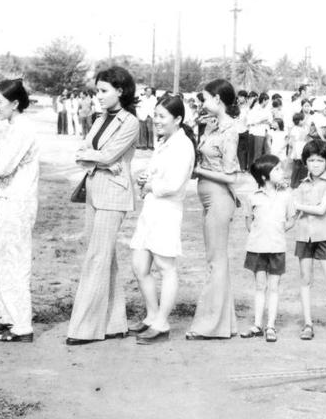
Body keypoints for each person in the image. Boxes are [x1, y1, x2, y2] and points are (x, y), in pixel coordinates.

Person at [66, 67, 140, 345]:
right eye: (97, 90)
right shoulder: (99, 119)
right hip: (95, 190)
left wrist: (92, 157)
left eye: (103, 90)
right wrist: (94, 157)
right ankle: (114, 323)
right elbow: (84, 150)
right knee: (103, 257)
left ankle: (84, 329)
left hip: (114, 196)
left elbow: (108, 156)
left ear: (120, 91)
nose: (98, 96)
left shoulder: (130, 122)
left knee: (97, 257)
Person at [128, 95, 196, 345]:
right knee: (139, 265)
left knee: (166, 267)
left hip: (167, 211)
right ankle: (152, 315)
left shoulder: (183, 145)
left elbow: (174, 184)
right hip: (151, 208)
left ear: (177, 119)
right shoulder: (164, 142)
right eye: (155, 115)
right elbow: (157, 175)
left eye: (162, 117)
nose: (156, 121)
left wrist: (151, 185)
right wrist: (145, 179)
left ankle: (162, 323)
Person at [0, 79, 39, 343]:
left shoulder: (23, 128)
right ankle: (7, 317)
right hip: (9, 197)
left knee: (14, 261)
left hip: (19, 201)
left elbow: (3, 166)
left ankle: (22, 325)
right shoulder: (14, 126)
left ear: (15, 103)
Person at [186, 79, 241, 340]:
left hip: (220, 198)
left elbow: (231, 176)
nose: (202, 104)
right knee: (215, 259)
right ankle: (221, 323)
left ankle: (210, 326)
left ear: (218, 99)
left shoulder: (231, 130)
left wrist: (196, 170)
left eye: (205, 99)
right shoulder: (210, 125)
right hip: (209, 198)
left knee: (215, 260)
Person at [290, 139, 326, 345]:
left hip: (324, 238)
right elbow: (292, 213)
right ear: (305, 162)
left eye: (320, 160)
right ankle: (308, 324)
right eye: (311, 160)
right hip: (303, 236)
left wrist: (297, 204)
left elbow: (321, 209)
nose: (315, 164)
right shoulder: (302, 183)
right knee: (305, 280)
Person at [239, 155, 293, 343]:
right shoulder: (252, 197)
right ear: (264, 176)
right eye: (277, 169)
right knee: (260, 286)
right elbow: (249, 221)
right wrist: (259, 235)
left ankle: (270, 326)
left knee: (274, 287)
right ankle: (257, 325)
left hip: (277, 247)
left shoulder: (286, 195)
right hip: (257, 247)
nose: (282, 172)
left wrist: (278, 231)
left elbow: (291, 219)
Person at [247, 92, 271, 168]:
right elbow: (251, 121)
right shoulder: (255, 109)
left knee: (263, 152)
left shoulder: (267, 109)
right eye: (267, 100)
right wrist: (261, 121)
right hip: (257, 132)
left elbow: (269, 120)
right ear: (264, 100)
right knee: (257, 152)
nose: (267, 102)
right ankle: (254, 168)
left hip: (264, 132)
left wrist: (266, 122)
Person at [136, 86, 157, 150]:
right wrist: (139, 115)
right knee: (143, 130)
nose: (149, 92)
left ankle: (150, 145)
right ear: (145, 92)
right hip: (143, 116)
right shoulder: (141, 98)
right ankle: (143, 144)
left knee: (150, 131)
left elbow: (155, 107)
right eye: (147, 91)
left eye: (150, 91)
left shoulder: (154, 98)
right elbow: (137, 107)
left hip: (150, 116)